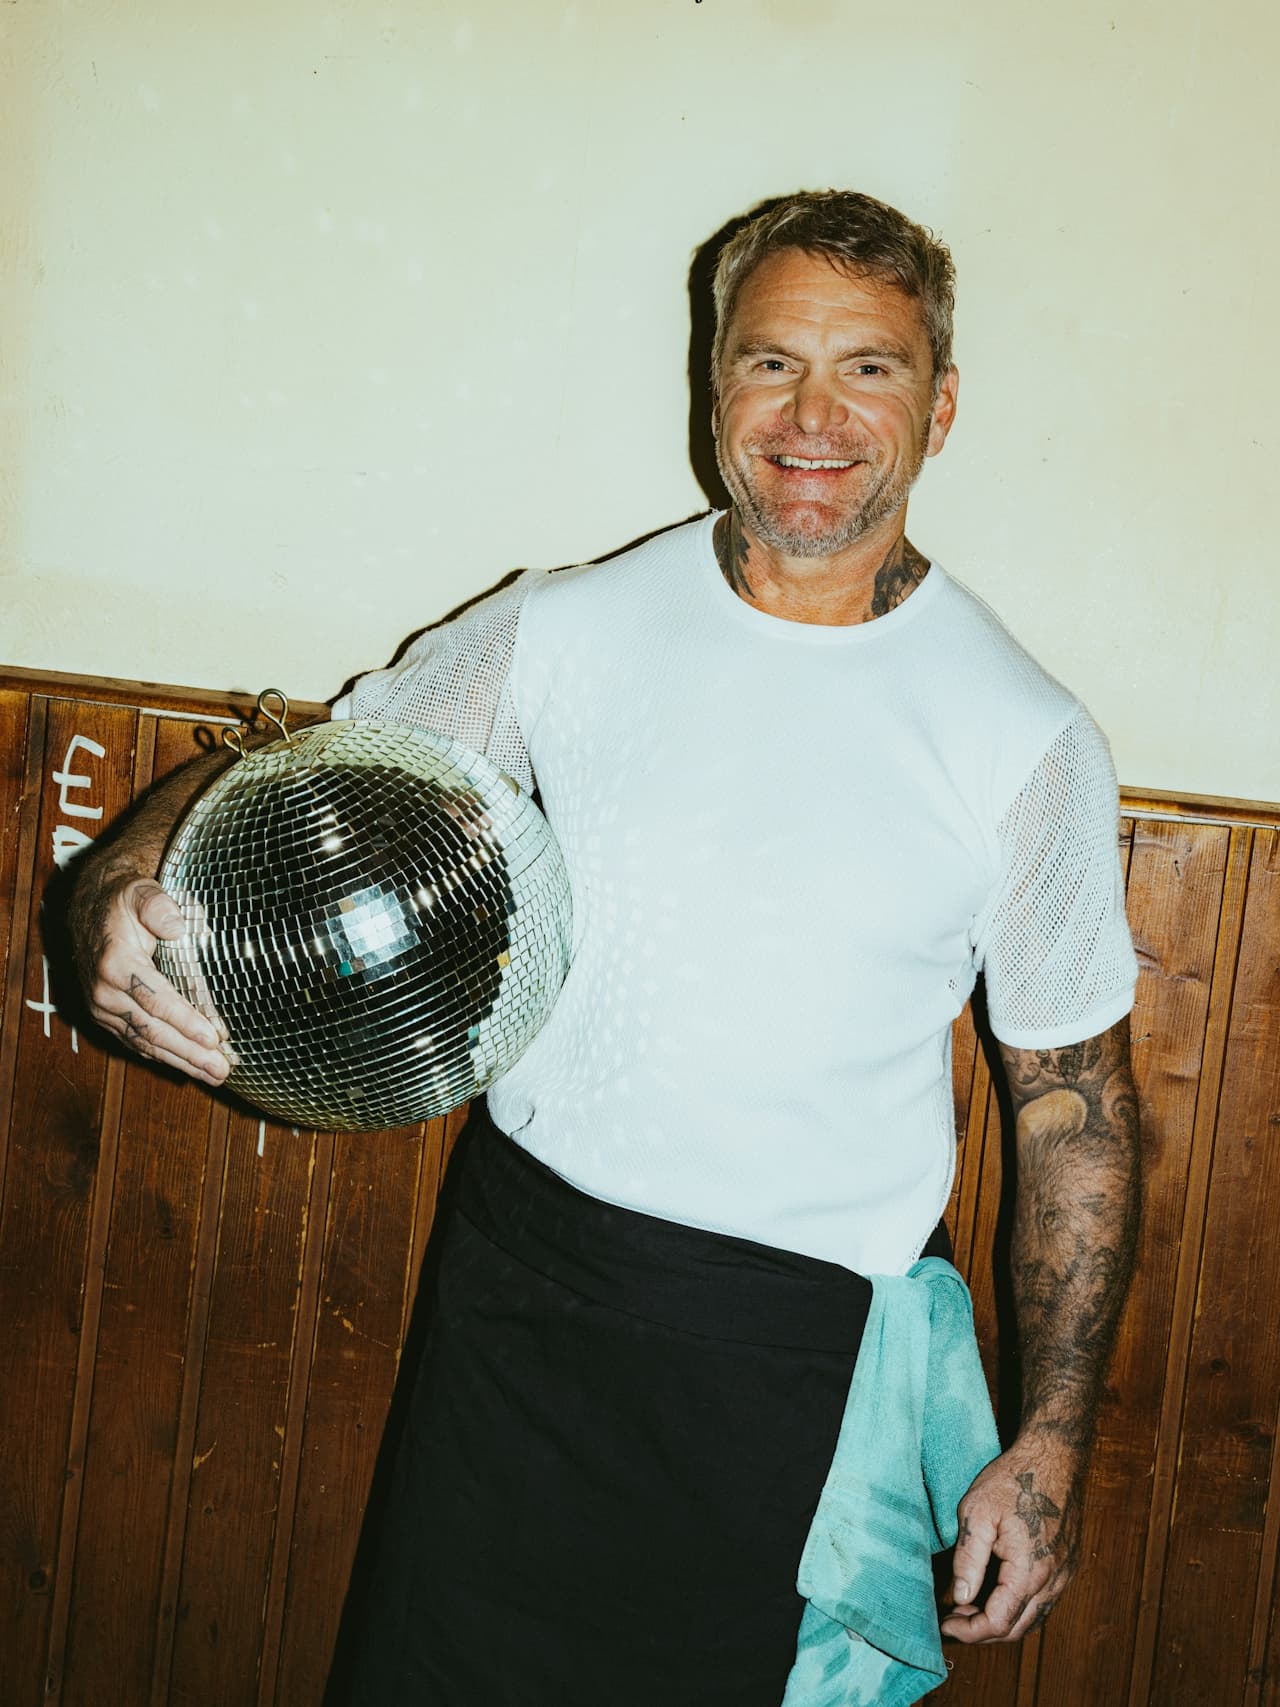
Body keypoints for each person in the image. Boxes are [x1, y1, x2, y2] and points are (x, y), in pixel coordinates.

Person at [69, 190, 1141, 1705]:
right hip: (520, 1295)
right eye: (771, 363)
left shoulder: (1024, 738)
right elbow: (306, 776)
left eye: (869, 369)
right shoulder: (564, 628)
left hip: (787, 1364)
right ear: (716, 389)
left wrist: (1054, 1440)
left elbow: (1074, 1114)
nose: (814, 416)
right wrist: (118, 883)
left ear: (942, 406)